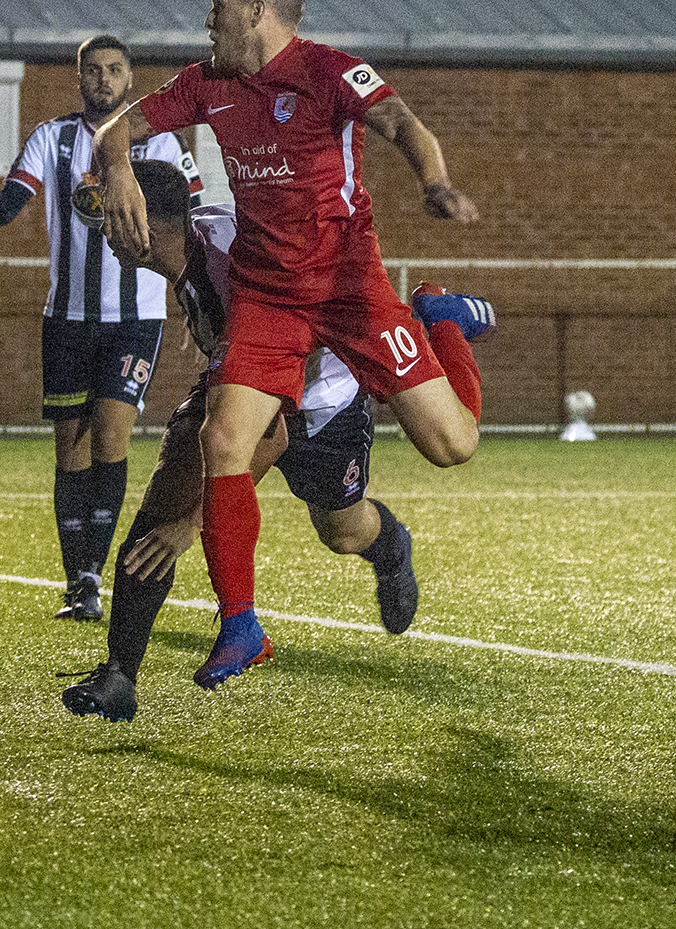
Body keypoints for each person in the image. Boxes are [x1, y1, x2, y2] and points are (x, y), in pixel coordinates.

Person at [95, 0, 493, 689]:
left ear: (257, 12)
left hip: (349, 287)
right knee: (221, 437)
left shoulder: (330, 72)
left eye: (217, 6)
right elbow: (122, 126)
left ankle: (442, 322)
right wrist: (116, 166)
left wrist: (435, 182)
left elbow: (404, 124)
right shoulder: (205, 84)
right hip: (269, 294)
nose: (206, 18)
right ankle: (240, 623)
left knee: (452, 443)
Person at [61, 159, 460, 721]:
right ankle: (119, 677)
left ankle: (391, 545)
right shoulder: (199, 241)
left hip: (322, 401)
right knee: (164, 498)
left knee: (342, 531)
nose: (105, 232)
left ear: (147, 222)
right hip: (256, 381)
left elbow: (266, 436)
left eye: (114, 216)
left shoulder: (237, 279)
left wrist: (193, 523)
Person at [0, 35, 184, 622]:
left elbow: (190, 218)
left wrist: (196, 296)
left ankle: (96, 571)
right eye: (93, 71)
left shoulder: (161, 142)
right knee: (71, 447)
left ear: (131, 79)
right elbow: (17, 196)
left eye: (114, 70)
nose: (103, 80)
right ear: (79, 78)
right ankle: (79, 581)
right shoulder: (51, 137)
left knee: (111, 434)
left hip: (137, 317)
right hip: (66, 318)